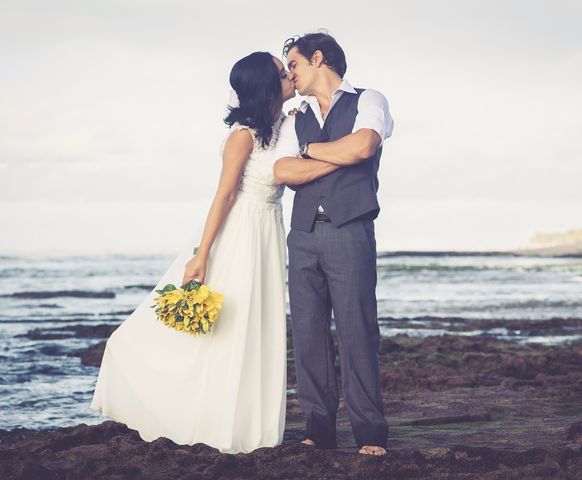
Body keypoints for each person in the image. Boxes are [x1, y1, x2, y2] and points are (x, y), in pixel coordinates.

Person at [90, 51, 295, 454]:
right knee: (231, 325)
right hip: (239, 234)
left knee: (258, 323)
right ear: (266, 84)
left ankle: (249, 424)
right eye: (281, 71)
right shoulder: (243, 136)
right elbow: (223, 195)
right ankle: (213, 421)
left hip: (268, 230)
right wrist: (202, 254)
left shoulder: (286, 125)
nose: (290, 75)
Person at [273, 32, 394, 456]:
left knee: (357, 331)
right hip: (303, 234)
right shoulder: (294, 115)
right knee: (307, 335)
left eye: (295, 65)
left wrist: (310, 152)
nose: (291, 73)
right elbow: (283, 171)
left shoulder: (368, 99)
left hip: (350, 229)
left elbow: (363, 145)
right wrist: (329, 155)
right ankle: (319, 431)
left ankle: (370, 433)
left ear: (318, 58)